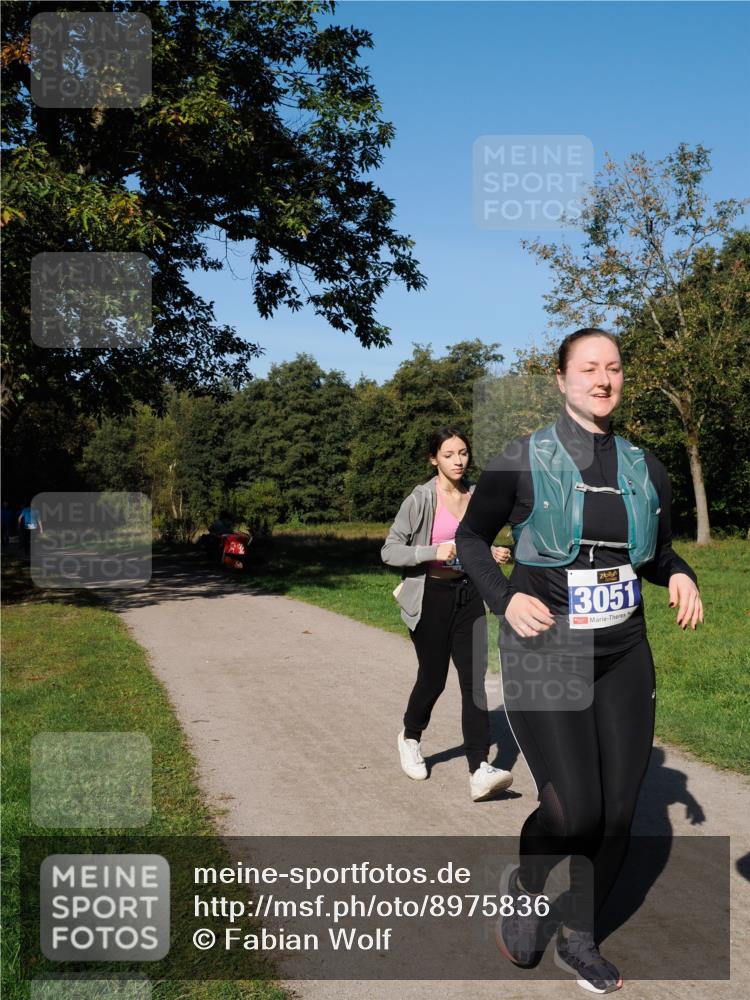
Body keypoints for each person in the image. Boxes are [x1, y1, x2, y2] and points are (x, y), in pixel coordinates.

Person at [456, 329, 703, 994]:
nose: (603, 379)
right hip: (545, 642)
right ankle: (527, 883)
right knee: (573, 813)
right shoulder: (521, 460)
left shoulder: (645, 468)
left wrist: (679, 575)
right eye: (589, 368)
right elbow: (472, 540)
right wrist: (504, 601)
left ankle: (580, 936)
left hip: (623, 650)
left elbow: (659, 555)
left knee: (619, 814)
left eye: (614, 368)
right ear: (561, 378)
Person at [381, 427, 515, 802]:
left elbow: (474, 546)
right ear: (433, 459)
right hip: (431, 596)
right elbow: (390, 551)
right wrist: (432, 552)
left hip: (470, 595)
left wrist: (490, 554)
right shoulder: (421, 499)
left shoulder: (477, 498)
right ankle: (410, 737)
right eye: (449, 454)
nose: (458, 461)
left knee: (473, 682)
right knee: (434, 678)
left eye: (463, 453)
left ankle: (479, 768)